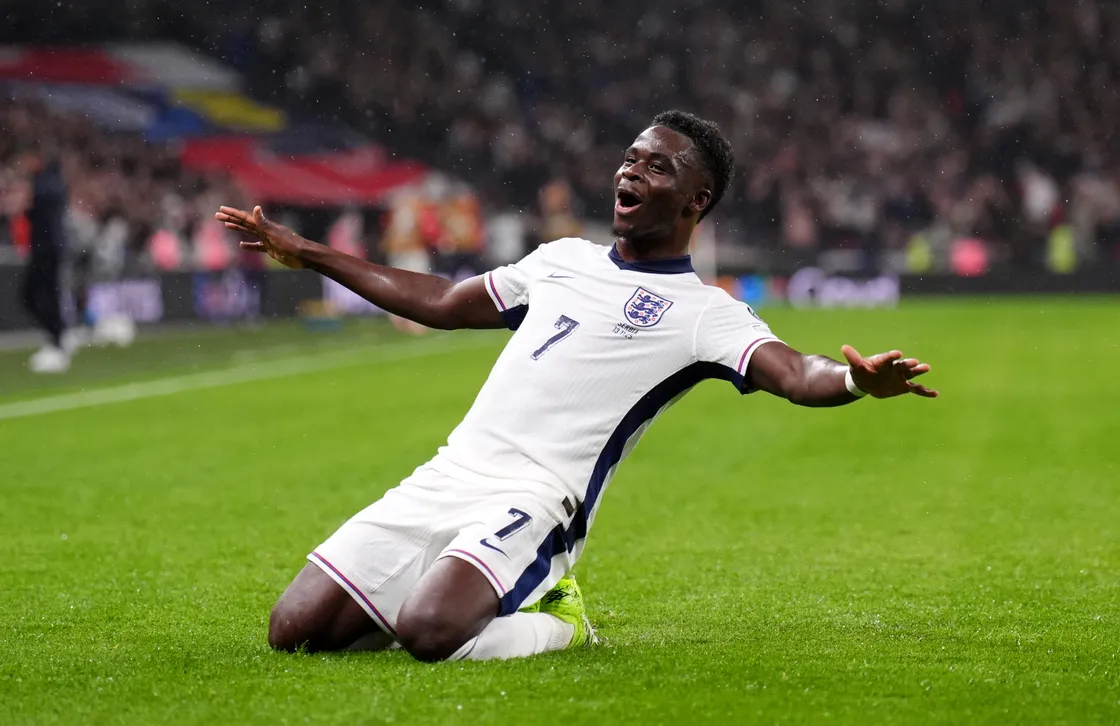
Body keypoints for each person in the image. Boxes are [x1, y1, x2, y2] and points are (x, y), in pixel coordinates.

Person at [216, 110, 938, 663]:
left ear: (697, 199)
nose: (632, 173)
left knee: (430, 634)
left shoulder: (703, 313)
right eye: (630, 159)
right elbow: (441, 301)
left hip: (536, 499)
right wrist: (309, 252)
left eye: (657, 168)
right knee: (294, 631)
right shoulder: (561, 259)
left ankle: (557, 619)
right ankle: (449, 590)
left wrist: (853, 379)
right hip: (450, 472)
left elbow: (793, 372)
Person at [16, 142, 71, 373]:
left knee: (36, 295)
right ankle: (58, 337)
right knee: (43, 295)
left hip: (46, 248)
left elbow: (35, 208)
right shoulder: (51, 182)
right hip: (48, 247)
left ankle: (57, 340)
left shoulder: (46, 184)